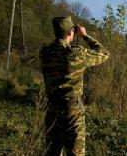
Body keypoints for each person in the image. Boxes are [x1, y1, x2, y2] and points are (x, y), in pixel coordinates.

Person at [39, 16, 109, 156]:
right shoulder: (76, 54)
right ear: (71, 31)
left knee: (52, 152)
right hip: (72, 112)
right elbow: (104, 53)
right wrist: (84, 35)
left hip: (52, 109)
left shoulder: (45, 52)